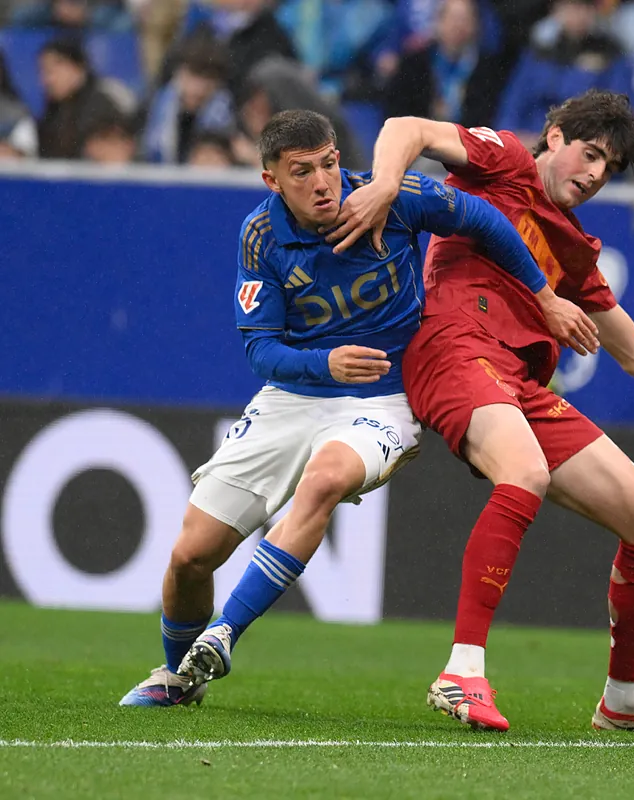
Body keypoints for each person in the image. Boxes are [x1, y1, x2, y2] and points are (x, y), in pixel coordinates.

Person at [325, 90, 634, 735]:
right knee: (525, 471)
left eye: (610, 167)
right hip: (453, 347)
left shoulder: (573, 249)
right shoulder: (504, 161)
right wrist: (382, 187)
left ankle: (625, 700)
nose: (597, 173)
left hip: (518, 381)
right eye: (591, 153)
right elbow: (405, 124)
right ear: (554, 138)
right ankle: (462, 671)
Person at [119, 108, 595, 706]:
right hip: (296, 394)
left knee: (326, 479)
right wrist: (324, 364)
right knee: (190, 557)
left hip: (384, 396)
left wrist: (544, 297)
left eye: (329, 163)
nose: (322, 182)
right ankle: (176, 679)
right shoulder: (260, 237)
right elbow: (260, 349)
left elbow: (484, 220)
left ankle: (224, 633)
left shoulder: (391, 197)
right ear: (272, 181)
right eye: (302, 172)